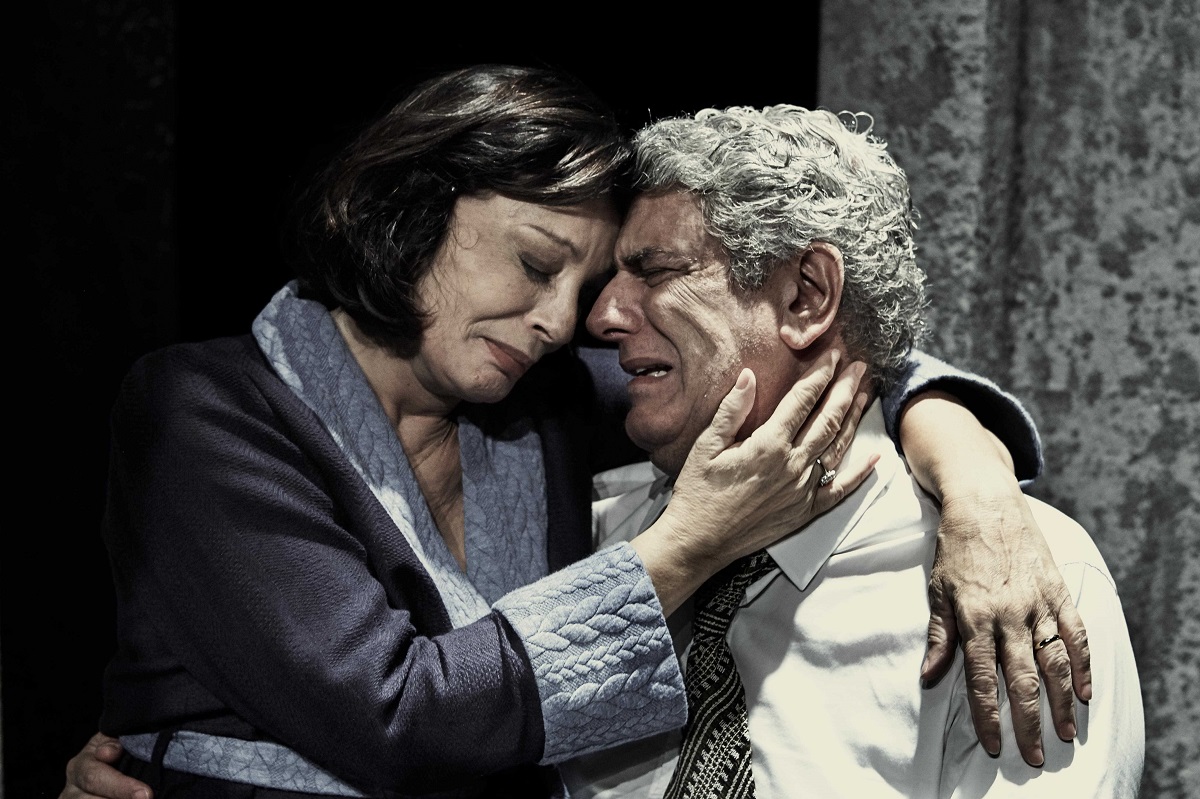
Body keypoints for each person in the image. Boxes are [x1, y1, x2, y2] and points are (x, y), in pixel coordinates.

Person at [62, 66, 1085, 799]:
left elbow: (803, 359)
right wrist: (687, 543)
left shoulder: (536, 402)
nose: (565, 322)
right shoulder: (205, 409)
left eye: (587, 283)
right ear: (412, 212)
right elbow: (395, 718)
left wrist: (978, 485)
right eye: (536, 263)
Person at [558, 104, 1144, 797]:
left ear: (806, 296)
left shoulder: (1017, 582)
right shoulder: (587, 541)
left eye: (655, 270)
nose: (601, 316)